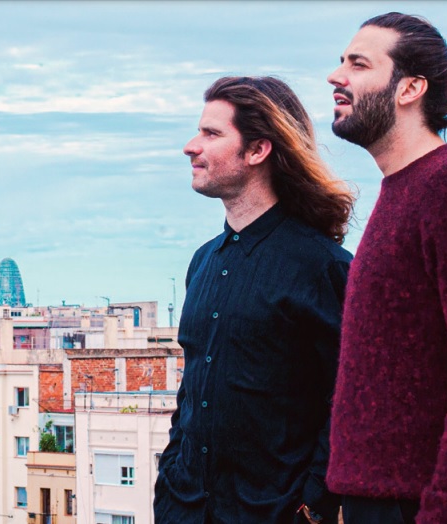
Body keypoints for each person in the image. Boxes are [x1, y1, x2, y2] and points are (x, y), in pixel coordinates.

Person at [326, 12, 447, 524]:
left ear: (410, 87)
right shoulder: (405, 188)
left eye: (358, 64)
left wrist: (445, 511)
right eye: (341, 61)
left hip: (419, 507)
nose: (335, 76)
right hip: (380, 501)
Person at [153, 76, 355, 524]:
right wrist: (169, 480)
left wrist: (313, 505)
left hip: (274, 512)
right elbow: (192, 391)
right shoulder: (203, 261)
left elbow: (348, 398)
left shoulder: (324, 266)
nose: (191, 146)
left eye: (211, 133)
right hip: (186, 509)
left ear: (258, 151)